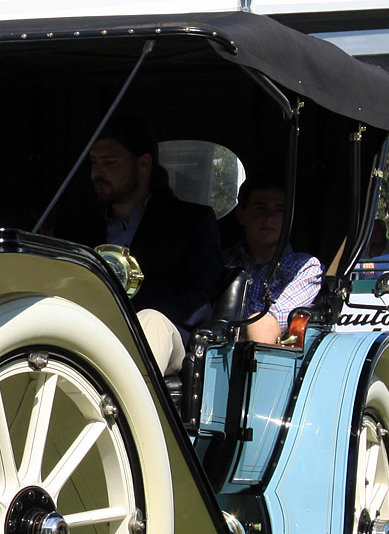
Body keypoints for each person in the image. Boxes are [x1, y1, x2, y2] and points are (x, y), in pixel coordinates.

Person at [64, 116, 224, 368]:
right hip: (91, 331)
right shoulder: (79, 230)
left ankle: (124, 407)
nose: (98, 173)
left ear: (143, 164)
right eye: (94, 163)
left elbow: (199, 299)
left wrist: (129, 316)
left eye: (110, 162)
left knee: (152, 322)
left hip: (165, 337)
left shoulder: (190, 221)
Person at [220, 179, 326, 345]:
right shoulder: (221, 260)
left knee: (261, 322)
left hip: (261, 352)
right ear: (242, 215)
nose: (269, 218)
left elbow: (273, 316)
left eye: (280, 210)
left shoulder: (305, 267)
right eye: (260, 208)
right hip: (211, 343)